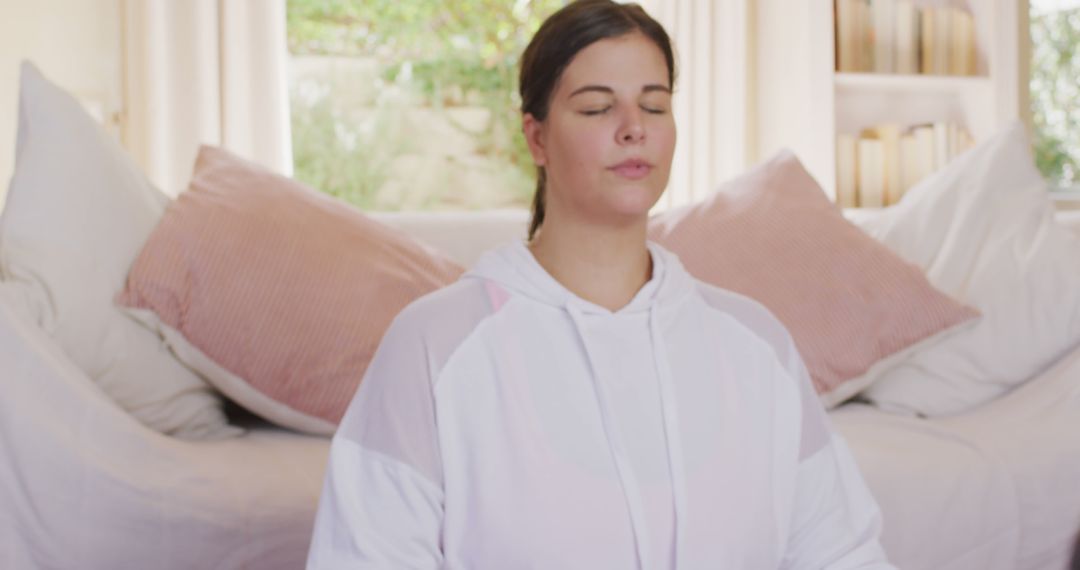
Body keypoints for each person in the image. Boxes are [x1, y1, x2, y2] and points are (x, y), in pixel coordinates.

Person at [306, 1, 895, 568]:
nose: (633, 129)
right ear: (536, 138)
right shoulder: (436, 345)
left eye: (655, 105)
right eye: (596, 108)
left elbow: (839, 551)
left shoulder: (754, 343)